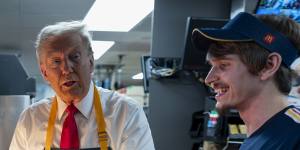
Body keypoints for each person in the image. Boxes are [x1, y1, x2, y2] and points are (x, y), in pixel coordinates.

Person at [9, 21, 155, 150]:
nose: (66, 68)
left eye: (75, 57)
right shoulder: (30, 119)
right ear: (44, 72)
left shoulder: (126, 113)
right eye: (56, 61)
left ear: (91, 63)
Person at [192, 12, 300, 149]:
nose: (208, 79)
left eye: (223, 65)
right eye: (212, 66)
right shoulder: (261, 137)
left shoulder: (294, 139)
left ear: (269, 66)